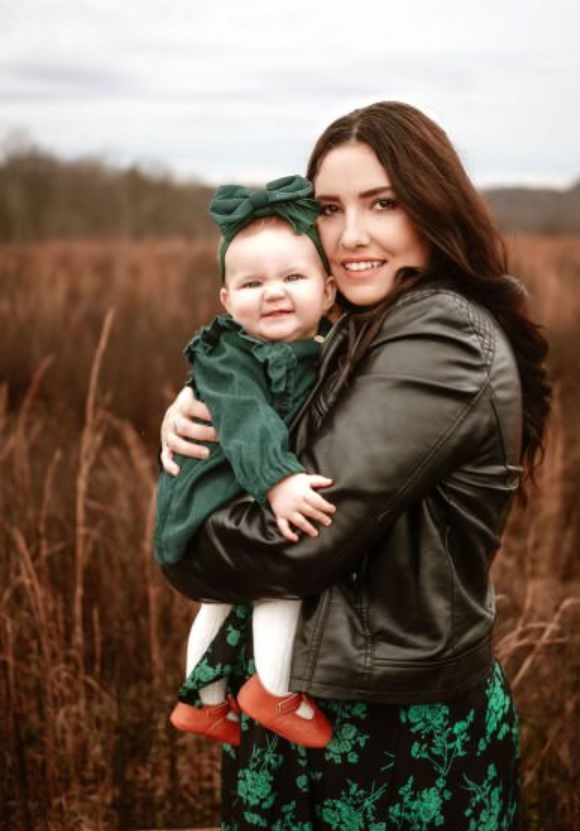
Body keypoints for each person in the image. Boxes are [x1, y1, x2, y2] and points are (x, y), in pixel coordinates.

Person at [159, 101, 551, 830]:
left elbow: (295, 542)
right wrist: (200, 407)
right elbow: (274, 410)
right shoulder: (359, 328)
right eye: (329, 209)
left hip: (391, 737)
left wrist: (182, 532)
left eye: (383, 204)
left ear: (432, 207)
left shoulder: (439, 336)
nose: (350, 235)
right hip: (306, 708)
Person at [155, 175, 336, 748]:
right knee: (277, 580)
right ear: (228, 302)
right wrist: (279, 482)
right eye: (253, 283)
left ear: (328, 291)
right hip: (211, 498)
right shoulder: (229, 356)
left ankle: (204, 703)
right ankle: (272, 692)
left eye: (293, 278)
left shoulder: (326, 343)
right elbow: (248, 422)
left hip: (232, 496)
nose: (274, 292)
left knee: (223, 597)